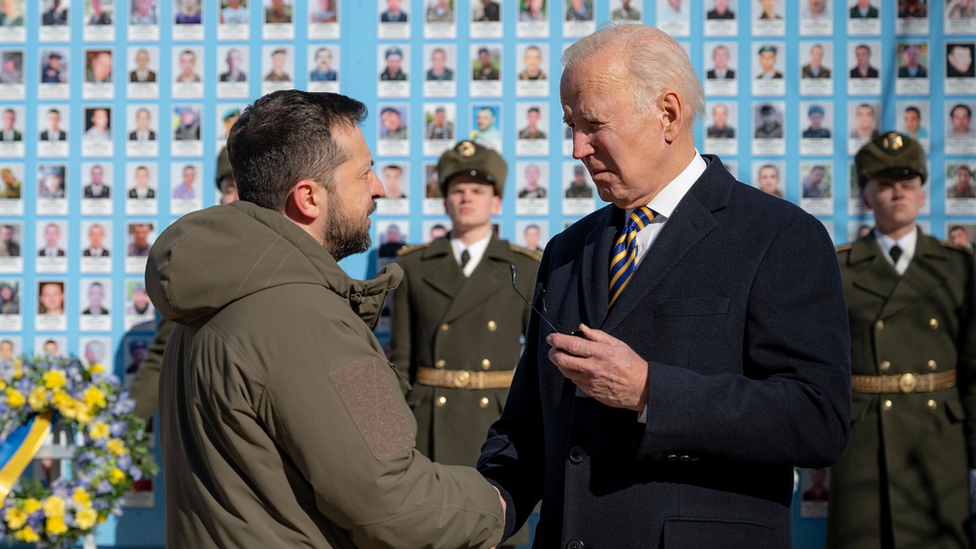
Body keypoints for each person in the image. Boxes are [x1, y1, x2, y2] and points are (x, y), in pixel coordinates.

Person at [478, 24, 850, 548]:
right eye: (570, 125)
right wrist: (482, 506)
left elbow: (818, 419)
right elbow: (528, 426)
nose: (578, 147)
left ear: (668, 114)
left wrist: (653, 392)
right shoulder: (567, 251)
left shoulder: (780, 236)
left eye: (593, 123)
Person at [146, 89, 506, 548]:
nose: (379, 186)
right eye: (363, 173)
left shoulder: (216, 295)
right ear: (309, 198)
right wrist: (494, 503)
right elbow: (392, 498)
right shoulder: (307, 320)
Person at [829, 132, 976, 549]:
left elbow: (974, 370)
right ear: (867, 195)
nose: (898, 193)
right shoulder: (839, 269)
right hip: (864, 445)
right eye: (885, 185)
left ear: (922, 195)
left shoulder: (958, 268)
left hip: (939, 443)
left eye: (908, 184)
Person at [392, 140, 536, 549]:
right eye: (457, 190)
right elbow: (400, 363)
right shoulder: (413, 266)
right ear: (445, 200)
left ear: (497, 201)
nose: (466, 198)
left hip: (495, 425)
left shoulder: (524, 267)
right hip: (428, 427)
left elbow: (539, 368)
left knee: (495, 530)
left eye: (478, 190)